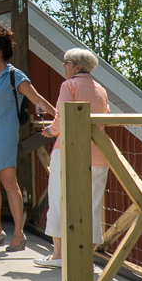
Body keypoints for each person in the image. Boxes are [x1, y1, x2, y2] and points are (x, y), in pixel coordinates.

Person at [0, 25, 54, 252]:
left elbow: (37, 99)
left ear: (0, 52)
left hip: (4, 134)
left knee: (8, 182)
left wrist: (60, 117)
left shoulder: (15, 76)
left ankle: (18, 233)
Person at [39, 48, 110, 268]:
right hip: (98, 153)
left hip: (69, 153)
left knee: (59, 200)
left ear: (77, 67)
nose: (63, 66)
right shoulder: (100, 89)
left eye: (66, 62)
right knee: (93, 206)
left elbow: (62, 118)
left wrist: (50, 131)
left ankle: (58, 255)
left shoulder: (68, 85)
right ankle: (85, 259)